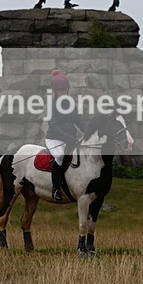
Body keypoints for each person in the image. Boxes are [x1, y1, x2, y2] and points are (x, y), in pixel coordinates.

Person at [45, 70, 84, 201]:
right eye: (58, 90)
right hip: (54, 138)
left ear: (67, 89)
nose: (61, 92)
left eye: (63, 90)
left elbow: (79, 120)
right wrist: (69, 138)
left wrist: (89, 132)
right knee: (60, 157)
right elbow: (54, 126)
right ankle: (55, 189)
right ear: (54, 90)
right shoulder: (51, 104)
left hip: (71, 139)